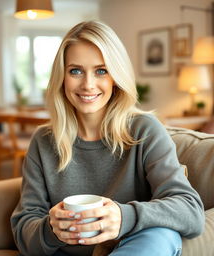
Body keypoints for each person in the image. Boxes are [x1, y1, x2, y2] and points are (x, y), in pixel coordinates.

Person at [11, 21, 205, 256]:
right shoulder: (43, 141)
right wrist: (51, 229)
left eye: (101, 70)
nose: (88, 84)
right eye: (76, 71)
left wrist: (124, 216)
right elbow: (24, 229)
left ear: (116, 77)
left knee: (163, 234)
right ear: (62, 77)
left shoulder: (145, 130)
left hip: (132, 247)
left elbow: (190, 211)